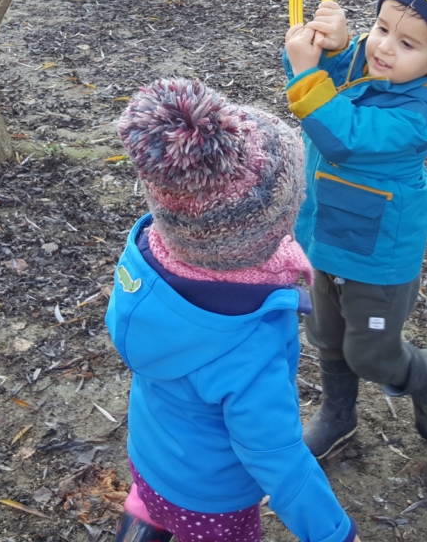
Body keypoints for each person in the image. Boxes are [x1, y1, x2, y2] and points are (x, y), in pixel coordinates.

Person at [106, 78, 361, 542]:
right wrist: (334, 534)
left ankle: (140, 526)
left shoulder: (143, 262)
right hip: (212, 503)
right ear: (270, 228)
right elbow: (278, 457)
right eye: (296, 199)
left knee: (152, 503)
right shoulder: (247, 343)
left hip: (149, 456)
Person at [282, 0, 427, 458]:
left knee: (371, 354)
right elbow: (336, 81)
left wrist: (307, 73)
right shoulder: (373, 62)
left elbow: (345, 138)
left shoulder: (421, 114)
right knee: (326, 335)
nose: (383, 47)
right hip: (323, 233)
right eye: (381, 28)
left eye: (407, 43)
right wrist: (334, 48)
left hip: (377, 253)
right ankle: (338, 416)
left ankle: (425, 374)